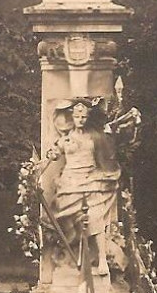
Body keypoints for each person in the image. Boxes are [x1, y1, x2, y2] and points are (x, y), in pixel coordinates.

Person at [46, 98, 120, 274]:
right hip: (70, 183)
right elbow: (52, 156)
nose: (80, 119)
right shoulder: (65, 140)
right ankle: (80, 255)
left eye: (84, 116)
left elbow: (104, 159)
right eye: (77, 116)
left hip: (91, 181)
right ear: (72, 116)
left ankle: (102, 259)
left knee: (95, 217)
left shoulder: (94, 138)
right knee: (73, 220)